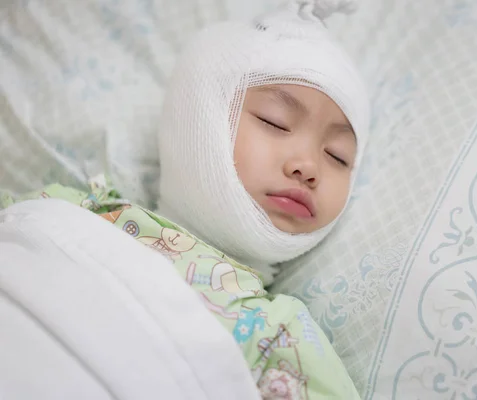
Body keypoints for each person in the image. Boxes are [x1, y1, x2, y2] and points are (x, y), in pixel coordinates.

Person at [1, 0, 369, 398]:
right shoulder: (76, 208)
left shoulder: (282, 339)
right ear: (197, 115)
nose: (309, 165)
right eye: (274, 121)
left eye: (338, 156)